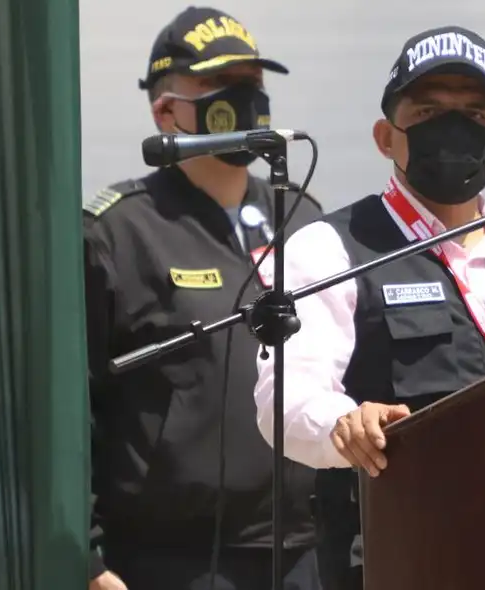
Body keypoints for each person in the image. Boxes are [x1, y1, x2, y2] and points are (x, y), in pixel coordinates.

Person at [251, 25, 485, 590]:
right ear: (385, 136)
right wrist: (343, 424)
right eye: (426, 113)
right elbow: (285, 398)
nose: (452, 129)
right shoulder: (330, 248)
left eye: (474, 116)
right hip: (392, 558)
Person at [84, 6, 323, 590]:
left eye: (252, 84)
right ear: (167, 111)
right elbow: (72, 405)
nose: (245, 99)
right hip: (170, 560)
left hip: (302, 553)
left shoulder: (303, 218)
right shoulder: (117, 232)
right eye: (220, 85)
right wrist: (90, 563)